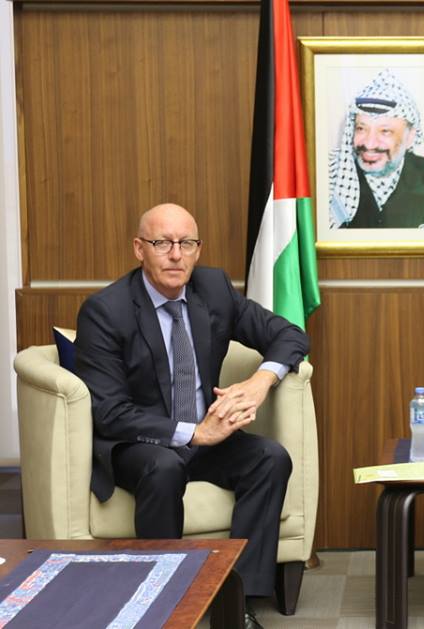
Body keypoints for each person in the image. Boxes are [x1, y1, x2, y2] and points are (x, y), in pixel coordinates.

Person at [75, 203, 310, 629]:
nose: (175, 255)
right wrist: (195, 433)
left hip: (207, 435)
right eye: (161, 243)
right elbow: (109, 412)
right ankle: (165, 602)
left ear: (198, 250)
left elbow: (289, 335)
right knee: (164, 466)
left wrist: (261, 381)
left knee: (270, 458)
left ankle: (238, 602)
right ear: (139, 249)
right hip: (140, 442)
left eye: (186, 243)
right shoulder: (106, 310)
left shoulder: (213, 288)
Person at [328, 69, 424, 229]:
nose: (369, 144)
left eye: (385, 131)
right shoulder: (331, 178)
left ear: (410, 137)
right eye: (361, 128)